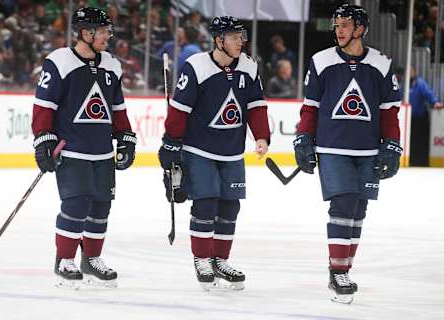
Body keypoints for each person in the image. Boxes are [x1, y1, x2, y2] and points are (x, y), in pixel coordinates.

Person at [294, 4, 402, 304]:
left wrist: (392, 144)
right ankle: (339, 272)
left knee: (358, 210)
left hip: (368, 150)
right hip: (332, 149)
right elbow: (310, 107)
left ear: (360, 29)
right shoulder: (321, 61)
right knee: (342, 204)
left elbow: (389, 112)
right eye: (337, 25)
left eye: (344, 25)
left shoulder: (381, 63)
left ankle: (341, 268)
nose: (338, 30)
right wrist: (304, 137)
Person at [158, 16, 270, 291]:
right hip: (199, 149)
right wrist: (171, 142)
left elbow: (256, 105)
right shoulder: (196, 66)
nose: (240, 42)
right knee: (206, 203)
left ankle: (220, 260)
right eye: (234, 37)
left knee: (230, 206)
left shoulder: (249, 66)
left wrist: (262, 136)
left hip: (232, 151)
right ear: (219, 40)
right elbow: (180, 109)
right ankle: (202, 259)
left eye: (241, 37)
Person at [31, 7, 137, 288]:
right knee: (76, 204)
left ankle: (91, 259)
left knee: (101, 206)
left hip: (102, 151)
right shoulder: (60, 61)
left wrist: (125, 136)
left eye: (107, 31)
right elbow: (44, 105)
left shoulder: (112, 64)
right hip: (72, 148)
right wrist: (43, 138)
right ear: (85, 32)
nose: (108, 36)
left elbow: (117, 107)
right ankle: (64, 259)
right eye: (102, 31)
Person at [407, 66, 443, 166]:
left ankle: (420, 161)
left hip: (420, 119)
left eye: (410, 71)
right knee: (411, 142)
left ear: (414, 72)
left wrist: (435, 102)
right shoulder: (403, 83)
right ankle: (412, 161)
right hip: (409, 119)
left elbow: (429, 94)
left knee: (419, 142)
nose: (409, 73)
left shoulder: (420, 83)